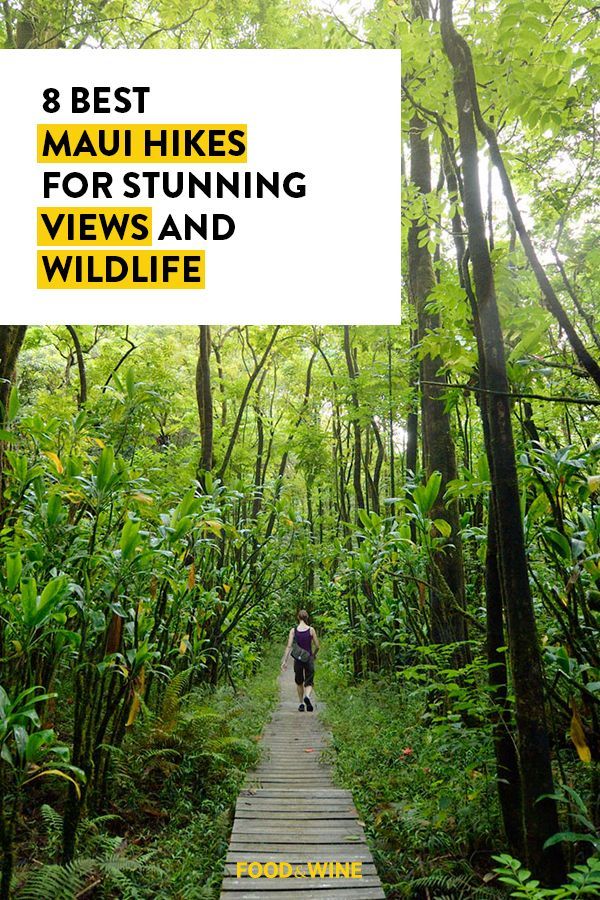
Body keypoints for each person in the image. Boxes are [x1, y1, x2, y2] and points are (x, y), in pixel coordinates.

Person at [281, 610, 320, 711]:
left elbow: (289, 646)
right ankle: (307, 696)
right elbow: (317, 646)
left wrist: (284, 661)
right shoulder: (311, 630)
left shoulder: (293, 630)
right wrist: (313, 655)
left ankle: (301, 703)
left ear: (298, 617)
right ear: (307, 617)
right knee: (309, 681)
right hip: (308, 658)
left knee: (299, 682)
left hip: (298, 660)